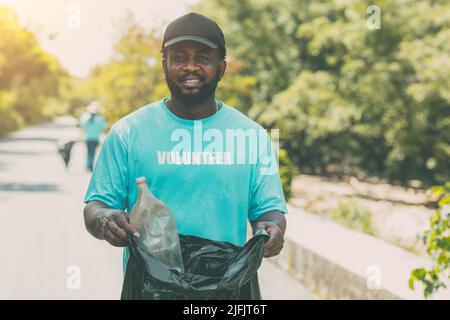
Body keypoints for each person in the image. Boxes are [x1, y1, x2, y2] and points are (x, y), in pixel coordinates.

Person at [83, 13, 287, 279]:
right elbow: (95, 206)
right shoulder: (128, 133)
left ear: (221, 67)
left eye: (203, 57)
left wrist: (271, 228)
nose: (190, 66)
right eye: (180, 57)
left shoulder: (252, 136)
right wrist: (105, 220)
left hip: (226, 289)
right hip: (150, 290)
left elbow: (269, 211)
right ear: (165, 65)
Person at [79, 101, 106, 172]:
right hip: (95, 138)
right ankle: (90, 165)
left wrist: (80, 136)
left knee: (88, 151)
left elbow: (82, 128)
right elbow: (103, 129)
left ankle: (88, 165)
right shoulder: (100, 118)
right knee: (93, 152)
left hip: (87, 138)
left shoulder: (85, 117)